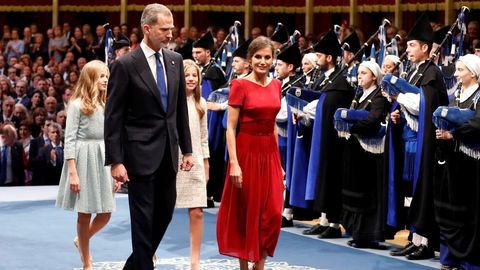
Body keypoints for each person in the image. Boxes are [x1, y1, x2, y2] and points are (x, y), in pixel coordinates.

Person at [104, 4, 194, 270]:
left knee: (165, 214)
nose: (170, 34)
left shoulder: (176, 60)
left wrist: (187, 150)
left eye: (171, 29)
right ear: (147, 29)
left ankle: (133, 266)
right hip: (139, 155)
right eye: (164, 29)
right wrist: (116, 161)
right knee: (142, 221)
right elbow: (113, 117)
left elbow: (179, 111)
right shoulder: (125, 64)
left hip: (169, 153)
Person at [216, 36, 284, 270]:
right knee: (246, 211)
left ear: (273, 59)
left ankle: (260, 264)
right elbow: (231, 128)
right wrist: (234, 163)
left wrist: (279, 162)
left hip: (270, 154)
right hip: (246, 153)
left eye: (267, 57)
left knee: (273, 213)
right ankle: (245, 265)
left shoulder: (277, 85)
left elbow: (274, 124)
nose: (263, 62)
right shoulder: (240, 85)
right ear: (249, 59)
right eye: (258, 57)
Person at [56, 60, 117, 270]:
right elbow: (69, 140)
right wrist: (73, 173)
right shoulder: (76, 105)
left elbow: (111, 137)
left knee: (106, 212)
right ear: (90, 78)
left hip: (103, 157)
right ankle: (87, 262)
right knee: (84, 212)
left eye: (106, 76)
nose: (105, 80)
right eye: (101, 76)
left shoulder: (106, 102)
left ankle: (81, 240)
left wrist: (115, 167)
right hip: (83, 158)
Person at [434, 54, 480, 270]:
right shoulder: (458, 94)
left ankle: (469, 260)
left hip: (473, 163)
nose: (457, 75)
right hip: (453, 161)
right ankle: (450, 257)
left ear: (473, 72)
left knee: (470, 212)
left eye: (461, 70)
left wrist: (454, 134)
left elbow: (477, 123)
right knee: (451, 210)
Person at [175, 59, 210, 270]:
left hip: (195, 160)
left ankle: (195, 261)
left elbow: (203, 137)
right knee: (161, 211)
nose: (190, 78)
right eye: (186, 75)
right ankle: (149, 251)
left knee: (197, 211)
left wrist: (206, 162)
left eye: (194, 75)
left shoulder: (201, 103)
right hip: (173, 159)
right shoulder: (171, 101)